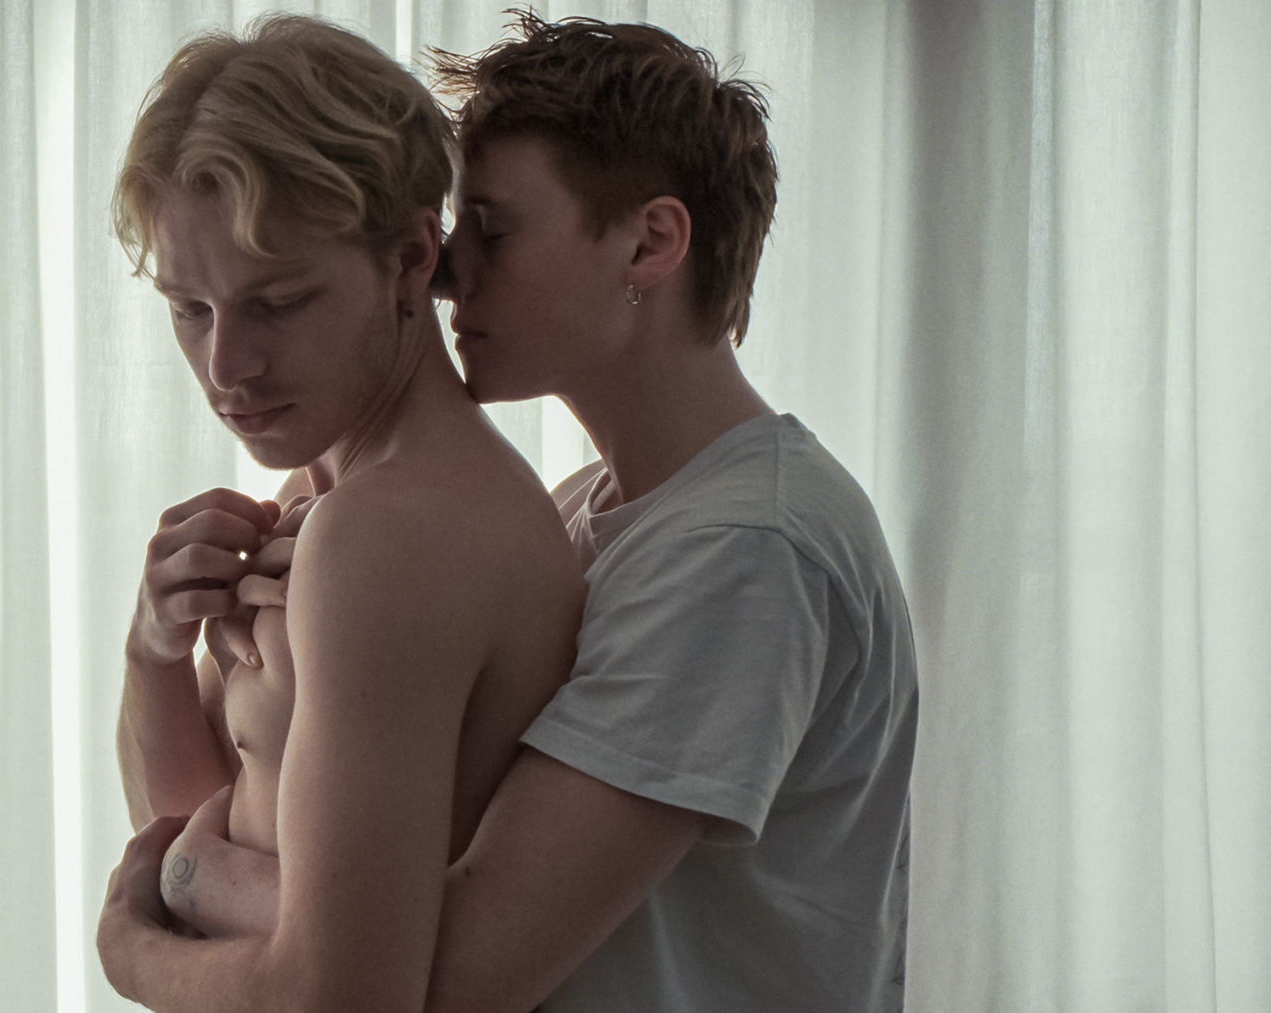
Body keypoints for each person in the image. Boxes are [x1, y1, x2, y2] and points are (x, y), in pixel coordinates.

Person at [103, 12, 920, 1013]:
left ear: (651, 242)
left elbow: (429, 974)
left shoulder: (748, 548)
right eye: (190, 307)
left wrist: (153, 918)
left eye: (489, 230)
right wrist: (155, 650)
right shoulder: (584, 513)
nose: (446, 271)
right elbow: (290, 852)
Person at [99, 14, 587, 1011]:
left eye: (277, 303)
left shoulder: (393, 533)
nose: (226, 367)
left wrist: (127, 953)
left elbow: (346, 993)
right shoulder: (318, 502)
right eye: (190, 309)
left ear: (411, 257)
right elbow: (198, 821)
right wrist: (153, 649)